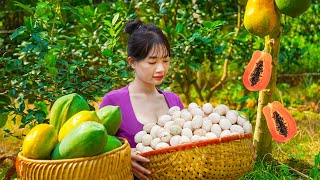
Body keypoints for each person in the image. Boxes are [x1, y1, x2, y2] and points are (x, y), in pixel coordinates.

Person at [99, 19, 184, 180]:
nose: (161, 68)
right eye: (152, 62)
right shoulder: (113, 102)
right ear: (132, 62)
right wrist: (122, 155)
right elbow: (95, 147)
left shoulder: (174, 101)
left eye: (165, 60)